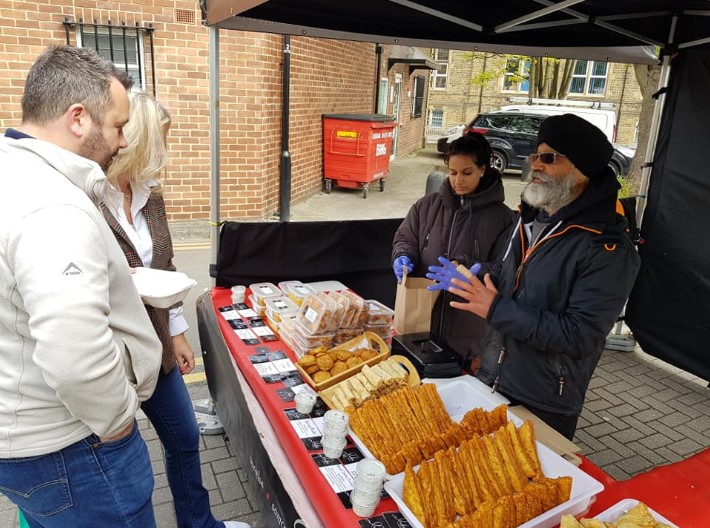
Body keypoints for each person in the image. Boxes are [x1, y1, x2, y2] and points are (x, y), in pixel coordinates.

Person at [0, 46, 163, 526]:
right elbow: (74, 356)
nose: (119, 141)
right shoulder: (53, 206)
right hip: (72, 446)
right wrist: (117, 422)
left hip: (26, 435)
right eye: (116, 125)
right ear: (78, 119)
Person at [429, 114, 641, 439]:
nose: (535, 166)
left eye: (548, 158)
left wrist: (495, 309)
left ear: (581, 168)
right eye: (535, 156)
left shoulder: (607, 247)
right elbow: (509, 274)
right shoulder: (531, 218)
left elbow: (580, 336)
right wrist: (477, 275)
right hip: (492, 377)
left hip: (544, 399)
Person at [102, 91, 250, 528]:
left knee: (185, 438)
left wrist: (178, 332)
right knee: (121, 465)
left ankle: (199, 524)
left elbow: (164, 266)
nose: (164, 150)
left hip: (156, 345)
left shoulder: (151, 194)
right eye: (160, 138)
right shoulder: (89, 196)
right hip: (111, 354)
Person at [391, 133, 514, 369]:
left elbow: (506, 267)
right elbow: (405, 237)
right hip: (420, 321)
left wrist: (473, 274)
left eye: (467, 173)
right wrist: (403, 256)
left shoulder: (503, 218)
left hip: (469, 331)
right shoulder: (426, 205)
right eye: (453, 172)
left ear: (483, 169)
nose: (458, 180)